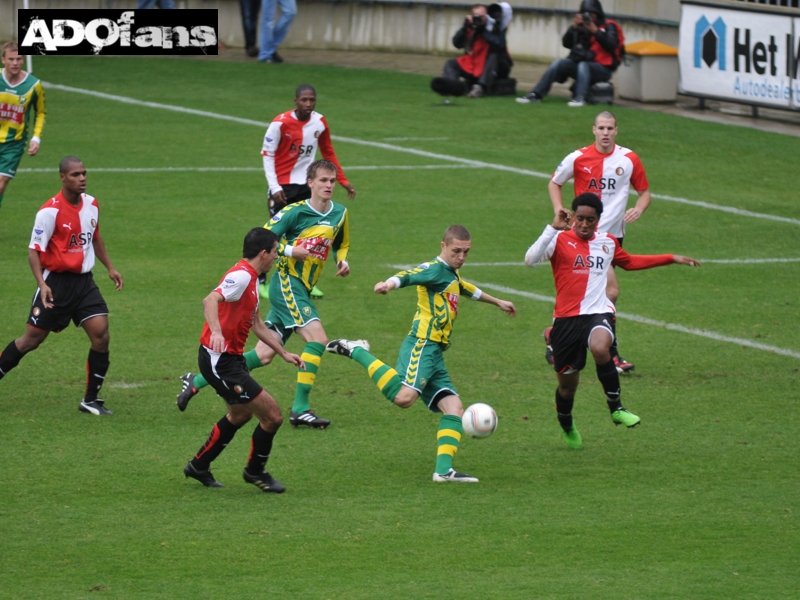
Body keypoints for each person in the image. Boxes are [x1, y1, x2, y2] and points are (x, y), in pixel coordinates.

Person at [325, 225, 517, 483]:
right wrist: (388, 284)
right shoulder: (434, 269)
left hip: (436, 351)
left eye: (466, 252)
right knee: (404, 398)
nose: (461, 256)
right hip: (422, 344)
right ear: (443, 246)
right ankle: (357, 350)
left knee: (453, 408)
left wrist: (498, 302)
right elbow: (409, 275)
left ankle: (443, 471)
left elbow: (465, 288)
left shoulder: (451, 273)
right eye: (456, 251)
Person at [177, 159, 351, 431]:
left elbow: (342, 242)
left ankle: (196, 380)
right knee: (318, 339)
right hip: (288, 283)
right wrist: (293, 251)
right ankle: (301, 409)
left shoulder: (340, 213)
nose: (329, 185)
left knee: (264, 354)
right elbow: (265, 240)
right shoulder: (294, 212)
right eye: (323, 181)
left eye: (332, 181)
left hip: (303, 286)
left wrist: (342, 260)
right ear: (311, 183)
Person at [524, 193, 700, 448]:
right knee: (567, 388)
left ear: (598, 220)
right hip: (566, 320)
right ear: (573, 217)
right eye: (581, 219)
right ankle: (566, 423)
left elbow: (629, 262)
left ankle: (616, 407)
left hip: (598, 312)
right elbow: (530, 260)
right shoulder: (559, 239)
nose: (585, 224)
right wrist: (552, 227)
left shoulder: (606, 242)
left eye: (591, 220)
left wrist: (670, 258)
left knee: (600, 347)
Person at [183, 228, 305, 492]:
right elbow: (210, 299)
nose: (276, 257)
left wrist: (283, 352)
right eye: (275, 252)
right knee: (272, 416)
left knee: (239, 415)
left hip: (231, 360)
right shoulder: (240, 276)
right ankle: (255, 471)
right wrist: (216, 331)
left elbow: (257, 324)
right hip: (220, 362)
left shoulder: (252, 280)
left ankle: (198, 466)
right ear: (263, 253)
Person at [0, 157, 123, 415]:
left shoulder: (92, 204)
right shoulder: (49, 212)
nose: (82, 178)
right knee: (30, 341)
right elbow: (34, 251)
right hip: (56, 284)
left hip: (84, 283)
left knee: (101, 334)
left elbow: (96, 238)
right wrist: (42, 284)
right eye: (76, 174)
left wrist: (110, 267)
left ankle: (90, 400)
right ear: (63, 178)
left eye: (84, 173)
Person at [543, 110, 650, 373]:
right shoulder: (578, 157)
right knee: (609, 292)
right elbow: (554, 183)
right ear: (594, 130)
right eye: (601, 128)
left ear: (616, 130)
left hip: (612, 238)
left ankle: (555, 335)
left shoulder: (628, 159)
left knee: (592, 294)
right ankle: (611, 354)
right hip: (584, 238)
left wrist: (639, 207)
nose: (605, 133)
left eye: (610, 128)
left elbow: (645, 192)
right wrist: (559, 209)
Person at [261, 83, 355, 298]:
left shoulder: (319, 122)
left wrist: (343, 180)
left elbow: (328, 151)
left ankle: (305, 280)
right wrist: (274, 186)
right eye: (304, 100)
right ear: (296, 101)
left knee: (309, 235)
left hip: (306, 185)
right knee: (273, 234)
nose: (308, 104)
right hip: (282, 187)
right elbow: (267, 155)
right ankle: (261, 281)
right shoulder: (280, 123)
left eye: (312, 100)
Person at [516, 0, 622, 107]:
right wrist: (574, 28)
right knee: (560, 62)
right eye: (586, 14)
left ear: (598, 14)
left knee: (583, 65)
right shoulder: (582, 27)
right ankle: (536, 94)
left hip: (603, 70)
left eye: (591, 14)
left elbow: (611, 45)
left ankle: (580, 98)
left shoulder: (609, 26)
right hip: (583, 68)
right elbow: (567, 44)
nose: (589, 17)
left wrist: (596, 31)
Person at [0, 42, 46, 210]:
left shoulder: (33, 85)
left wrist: (36, 138)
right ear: (3, 60)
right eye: (11, 59)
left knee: (1, 184)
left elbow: (41, 112)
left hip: (14, 144)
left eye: (19, 59)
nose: (15, 63)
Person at [434, 3, 513, 99]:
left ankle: (480, 88)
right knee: (451, 64)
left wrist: (482, 31)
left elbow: (499, 44)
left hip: (498, 65)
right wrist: (464, 28)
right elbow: (457, 44)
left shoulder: (495, 26)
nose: (480, 19)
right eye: (477, 16)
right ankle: (452, 87)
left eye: (482, 16)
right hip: (475, 62)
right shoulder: (471, 27)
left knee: (494, 56)